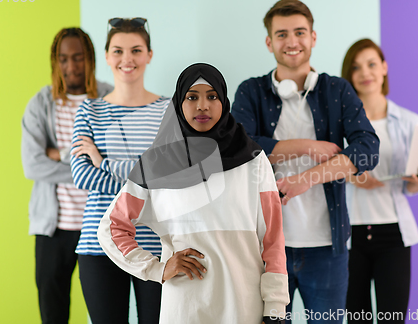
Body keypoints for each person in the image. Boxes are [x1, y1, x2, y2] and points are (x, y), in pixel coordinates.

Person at [97, 63, 289, 324]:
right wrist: (158, 269)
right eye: (192, 97)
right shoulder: (155, 165)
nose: (202, 106)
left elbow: (273, 240)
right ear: (179, 103)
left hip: (243, 307)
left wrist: (275, 308)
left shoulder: (253, 160)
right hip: (183, 310)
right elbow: (111, 227)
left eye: (212, 96)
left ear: (223, 101)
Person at [231, 0, 380, 324]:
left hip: (327, 248)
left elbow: (368, 149)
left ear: (313, 37)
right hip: (263, 247)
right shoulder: (251, 92)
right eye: (282, 34)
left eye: (299, 32)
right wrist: (305, 146)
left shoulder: (337, 90)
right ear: (269, 42)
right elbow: (235, 148)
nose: (292, 41)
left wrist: (305, 179)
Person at [70, 18, 169, 324]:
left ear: (149, 55)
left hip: (155, 245)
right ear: (107, 56)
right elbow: (81, 176)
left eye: (136, 50)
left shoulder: (168, 110)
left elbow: (169, 177)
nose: (127, 59)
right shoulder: (90, 110)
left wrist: (104, 163)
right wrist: (143, 178)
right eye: (118, 51)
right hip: (99, 246)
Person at [341, 38, 418, 323]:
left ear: (384, 68)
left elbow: (410, 184)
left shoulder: (410, 121)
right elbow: (323, 168)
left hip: (394, 236)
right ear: (349, 75)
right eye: (357, 67)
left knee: (392, 319)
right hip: (350, 237)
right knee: (356, 319)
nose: (365, 73)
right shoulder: (339, 124)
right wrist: (350, 174)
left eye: (372, 64)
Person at [21, 27, 113, 324]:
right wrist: (83, 165)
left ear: (90, 58)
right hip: (54, 229)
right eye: (63, 59)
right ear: (54, 62)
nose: (71, 67)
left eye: (77, 58)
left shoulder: (111, 97)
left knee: (106, 313)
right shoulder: (41, 103)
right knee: (52, 314)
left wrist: (57, 152)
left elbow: (120, 160)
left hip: (101, 226)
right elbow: (32, 165)